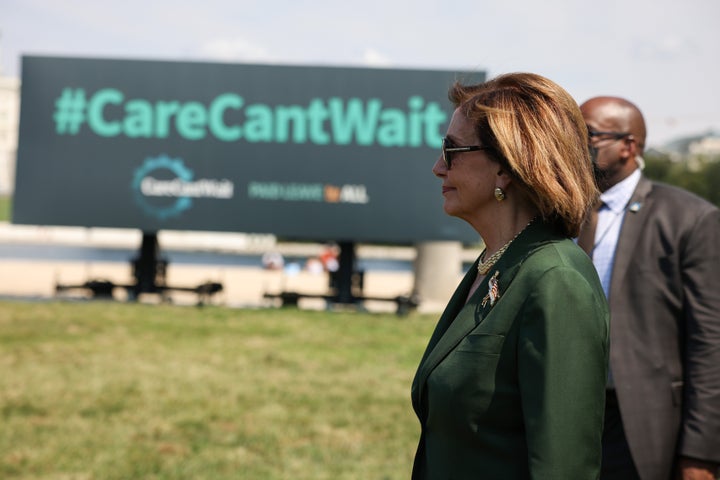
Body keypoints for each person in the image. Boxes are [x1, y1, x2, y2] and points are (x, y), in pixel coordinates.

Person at [410, 73, 610, 479]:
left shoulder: (556, 278)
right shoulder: (497, 262)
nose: (437, 167)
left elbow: (563, 467)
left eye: (452, 150)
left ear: (507, 167)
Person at [579, 96, 720, 480]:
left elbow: (710, 342)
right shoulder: (558, 215)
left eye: (587, 134)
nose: (575, 144)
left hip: (641, 421)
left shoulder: (689, 219)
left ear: (629, 146)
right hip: (566, 413)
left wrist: (701, 453)